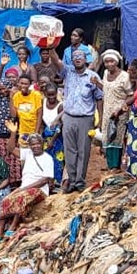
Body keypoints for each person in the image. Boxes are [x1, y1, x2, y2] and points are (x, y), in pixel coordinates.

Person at [48, 45, 103, 193]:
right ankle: (71, 181)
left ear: (86, 59)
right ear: (71, 60)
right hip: (69, 117)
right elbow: (56, 62)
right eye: (75, 57)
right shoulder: (68, 73)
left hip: (86, 118)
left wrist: (101, 119)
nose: (78, 59)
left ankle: (80, 181)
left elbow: (99, 98)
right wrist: (51, 47)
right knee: (69, 150)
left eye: (81, 56)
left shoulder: (93, 76)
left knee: (83, 151)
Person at [0, 129, 54, 242]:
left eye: (38, 143)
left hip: (39, 189)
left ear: (42, 144)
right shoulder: (28, 154)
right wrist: (13, 133)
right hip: (24, 188)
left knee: (21, 197)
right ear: (30, 146)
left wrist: (23, 189)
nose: (35, 146)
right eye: (33, 144)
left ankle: (13, 226)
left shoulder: (48, 159)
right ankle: (0, 232)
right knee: (5, 200)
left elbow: (45, 180)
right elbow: (11, 149)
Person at [100, 50, 129, 172]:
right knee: (107, 136)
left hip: (120, 113)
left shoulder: (124, 76)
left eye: (111, 61)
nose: (109, 64)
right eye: (106, 62)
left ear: (116, 62)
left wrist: (120, 109)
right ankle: (110, 164)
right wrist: (97, 83)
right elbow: (106, 89)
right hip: (108, 111)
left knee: (118, 137)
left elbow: (130, 94)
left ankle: (116, 165)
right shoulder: (105, 73)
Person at [10, 73, 43, 158]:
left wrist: (36, 132)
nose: (23, 86)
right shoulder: (17, 96)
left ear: (29, 85)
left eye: (26, 84)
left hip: (35, 130)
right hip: (23, 132)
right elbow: (13, 115)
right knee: (24, 158)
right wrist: (11, 98)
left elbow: (39, 114)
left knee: (36, 156)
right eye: (21, 83)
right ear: (18, 83)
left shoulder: (36, 95)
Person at [39, 83, 64, 188]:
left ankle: (58, 183)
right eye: (49, 95)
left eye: (53, 94)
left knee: (57, 161)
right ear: (45, 94)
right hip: (45, 137)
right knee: (46, 160)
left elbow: (60, 125)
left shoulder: (60, 106)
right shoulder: (43, 103)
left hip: (57, 138)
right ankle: (48, 183)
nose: (51, 97)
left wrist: (52, 140)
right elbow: (41, 121)